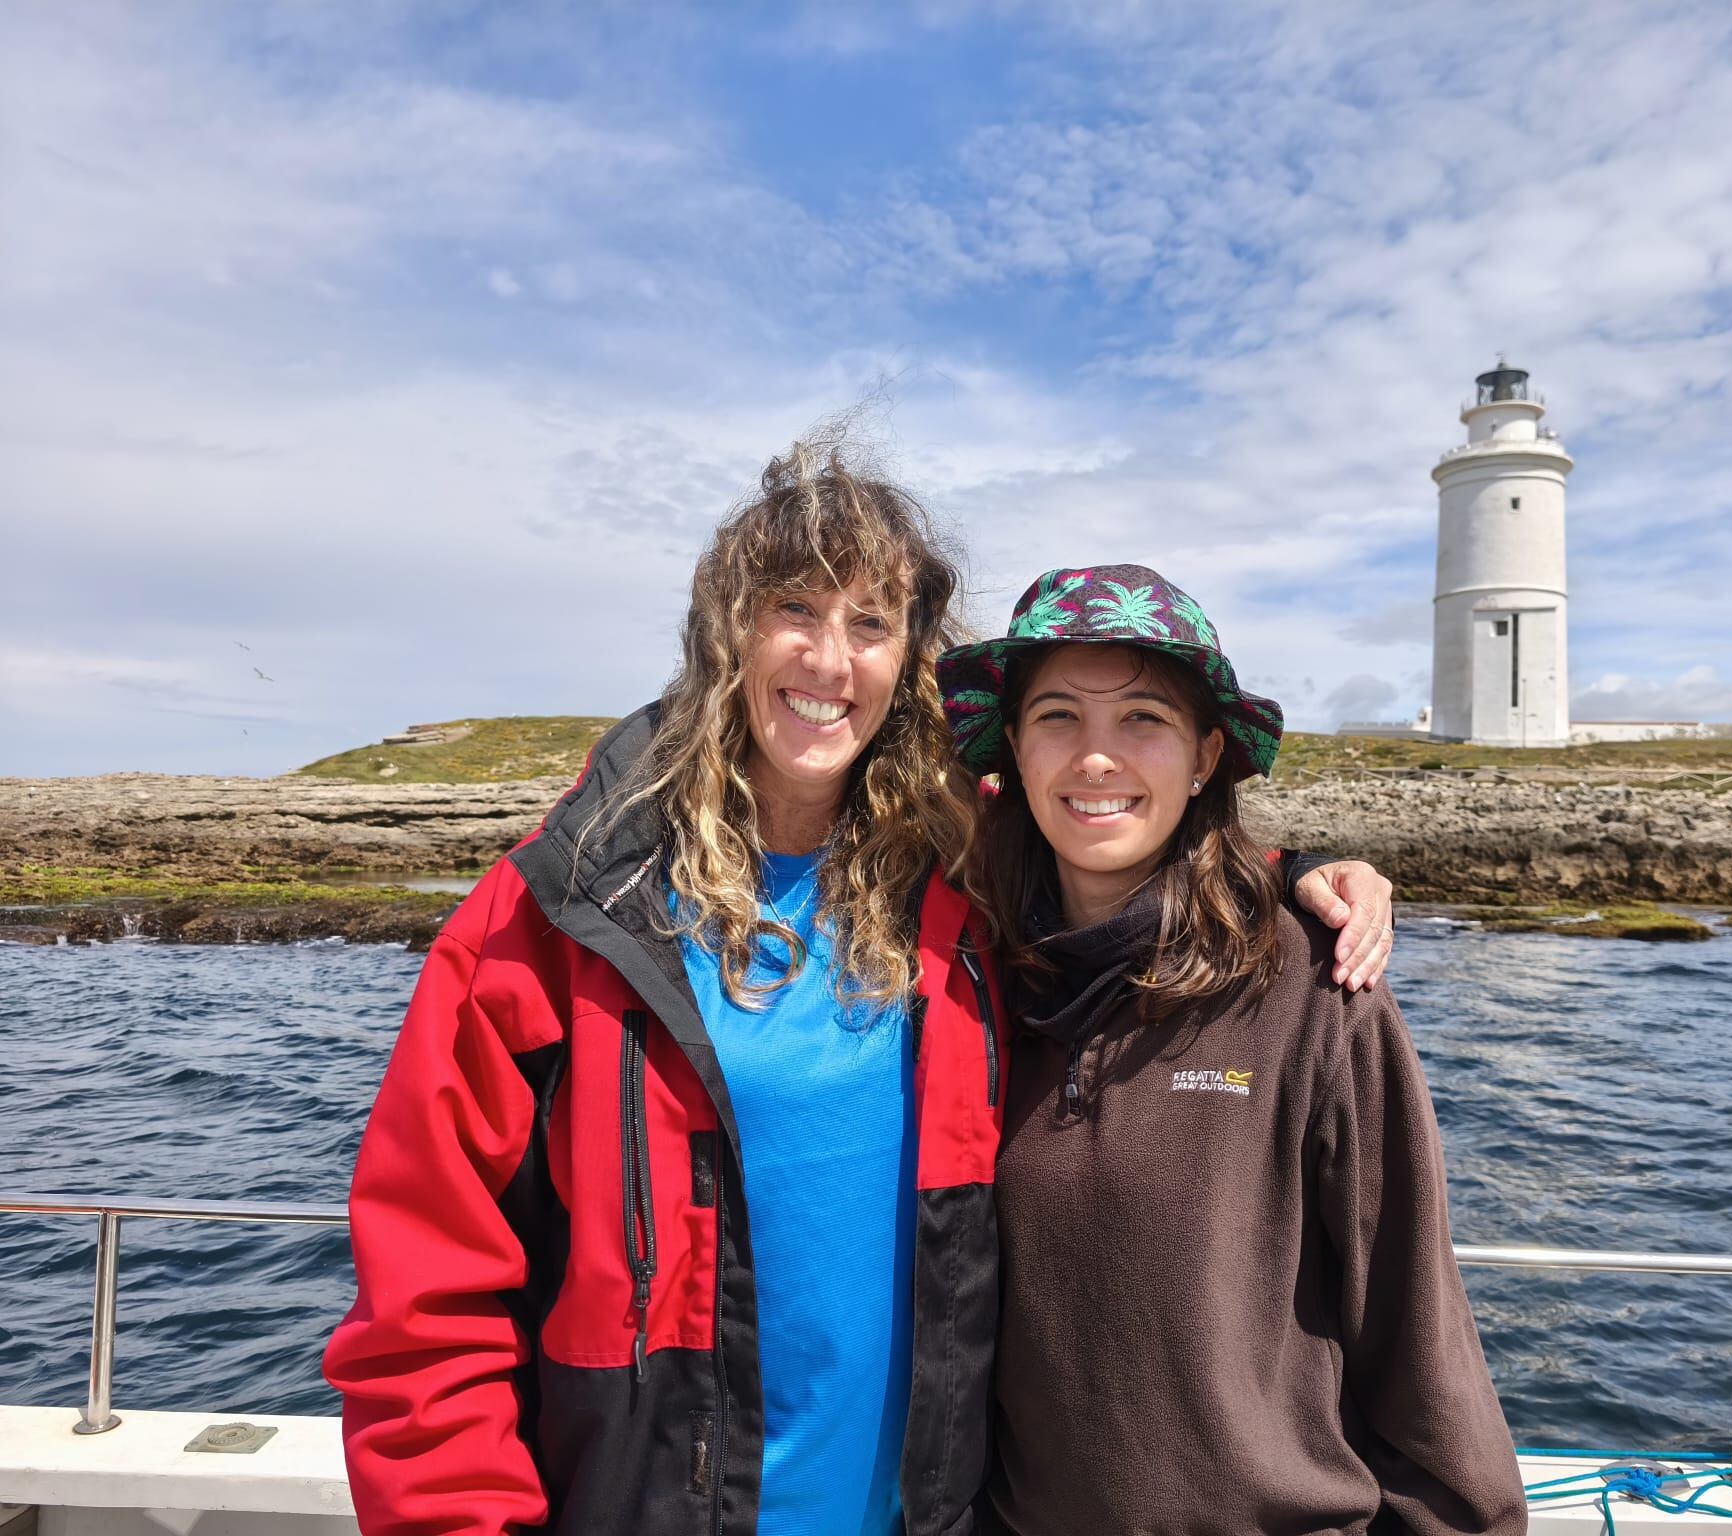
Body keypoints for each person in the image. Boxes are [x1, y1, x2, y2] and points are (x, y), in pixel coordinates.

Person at [322, 447, 1396, 1536]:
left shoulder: (962, 876)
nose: (829, 659)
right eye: (794, 608)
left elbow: (1116, 846)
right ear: (724, 631)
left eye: (871, 623)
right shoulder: (566, 903)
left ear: (908, 659)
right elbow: (426, 1300)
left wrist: (1291, 877)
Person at [940, 565, 1524, 1536]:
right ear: (1011, 746)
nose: (1094, 758)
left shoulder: (1313, 984)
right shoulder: (961, 982)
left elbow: (1410, 1321)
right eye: (1055, 717)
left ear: (1205, 754)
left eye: (1141, 719)